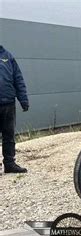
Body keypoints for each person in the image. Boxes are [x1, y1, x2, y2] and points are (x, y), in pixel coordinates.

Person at [0, 45, 29, 173]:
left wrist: (23, 99)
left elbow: (18, 78)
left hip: (8, 103)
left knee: (9, 135)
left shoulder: (7, 56)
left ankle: (9, 164)